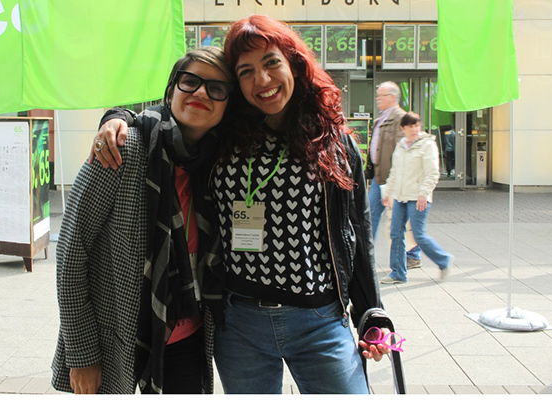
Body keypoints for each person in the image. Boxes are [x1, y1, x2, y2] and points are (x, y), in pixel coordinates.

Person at [93, 15, 392, 395]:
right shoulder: (224, 136)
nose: (262, 81)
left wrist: (371, 312)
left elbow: (358, 235)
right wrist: (118, 117)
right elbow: (172, 114)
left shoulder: (332, 143)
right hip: (239, 324)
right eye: (246, 71)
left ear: (294, 65)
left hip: (320, 321)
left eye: (271, 63)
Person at [52, 47, 235, 394]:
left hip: (187, 336)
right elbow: (71, 255)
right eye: (190, 82)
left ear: (228, 106)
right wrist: (81, 355)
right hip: (112, 339)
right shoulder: (123, 148)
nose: (200, 93)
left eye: (216, 88)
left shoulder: (220, 167)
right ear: (170, 92)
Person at [380, 112, 454, 284]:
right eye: (410, 126)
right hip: (400, 197)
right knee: (396, 234)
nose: (414, 130)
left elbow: (432, 173)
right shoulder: (400, 146)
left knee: (418, 235)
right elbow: (395, 172)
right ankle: (398, 273)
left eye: (417, 126)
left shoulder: (427, 145)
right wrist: (388, 193)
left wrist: (424, 193)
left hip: (418, 197)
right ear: (402, 128)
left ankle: (443, 260)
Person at [367, 81, 422, 270]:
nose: (377, 100)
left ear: (391, 97)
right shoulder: (380, 119)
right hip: (379, 176)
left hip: (393, 179)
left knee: (397, 220)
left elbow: (407, 150)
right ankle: (366, 253)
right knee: (371, 214)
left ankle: (412, 255)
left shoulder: (401, 119)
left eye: (380, 96)